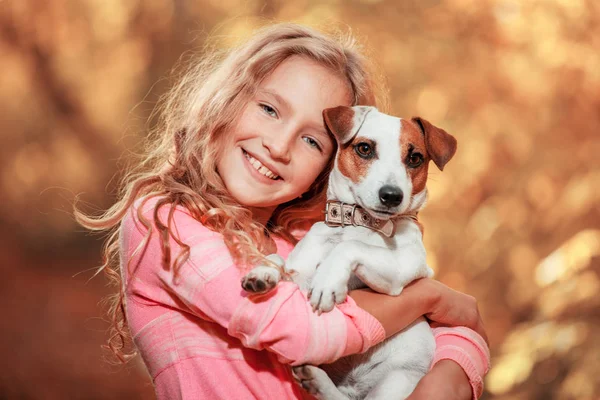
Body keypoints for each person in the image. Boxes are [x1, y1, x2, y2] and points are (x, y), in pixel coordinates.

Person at [76, 23, 490, 400]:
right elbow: (301, 332)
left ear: (328, 166)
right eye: (270, 110)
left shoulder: (298, 240)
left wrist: (449, 375)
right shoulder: (165, 224)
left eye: (312, 141)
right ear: (227, 101)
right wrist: (432, 296)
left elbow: (463, 332)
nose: (279, 145)